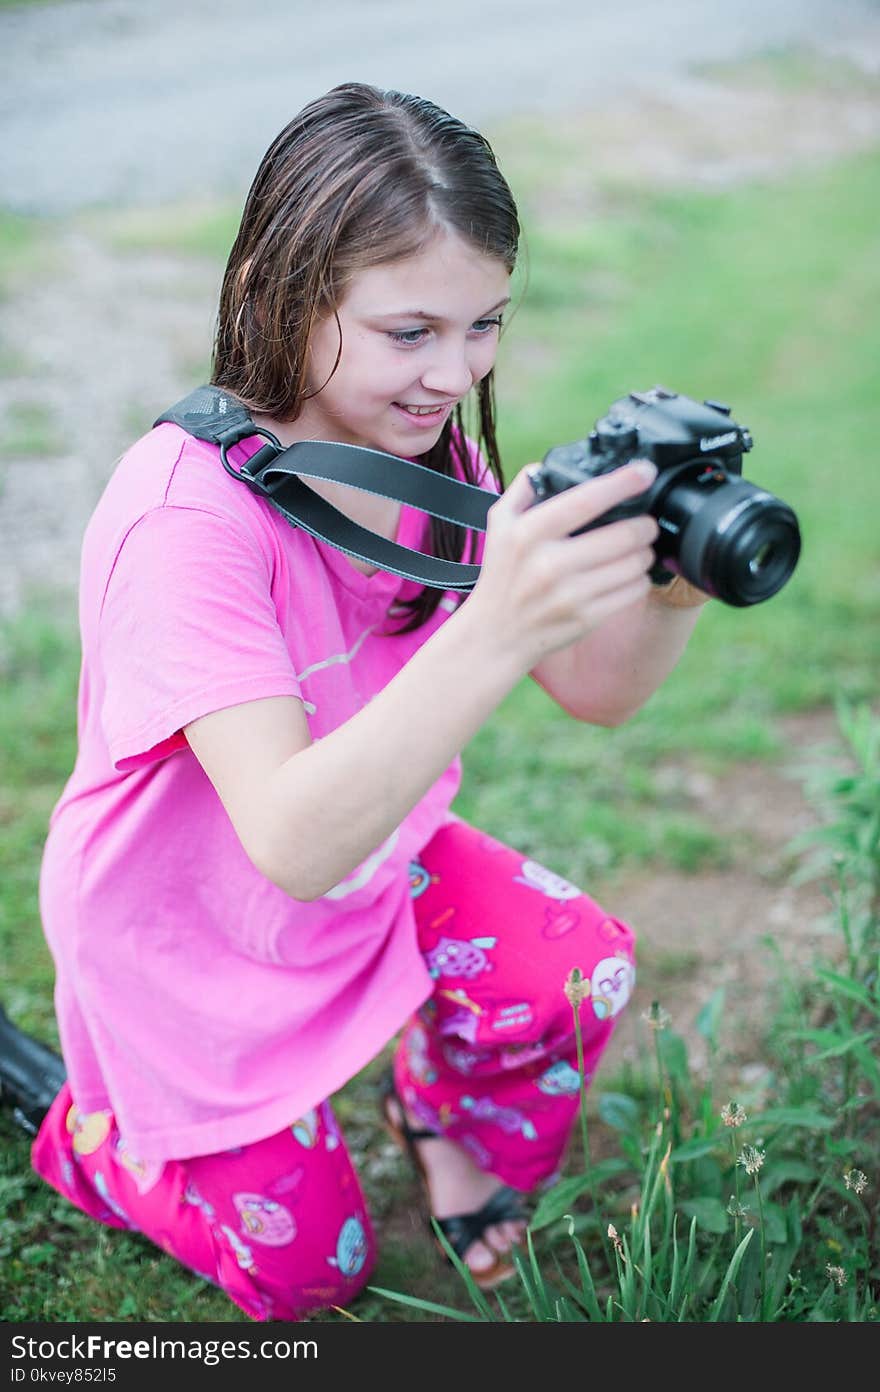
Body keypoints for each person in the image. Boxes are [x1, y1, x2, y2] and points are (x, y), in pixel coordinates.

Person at [9, 82, 709, 1321]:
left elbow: (595, 693)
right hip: (192, 934)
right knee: (312, 1275)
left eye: (484, 323)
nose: (454, 372)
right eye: (410, 332)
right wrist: (495, 622)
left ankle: (436, 1113)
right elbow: (284, 841)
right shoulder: (188, 519)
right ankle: (98, 1137)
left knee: (574, 976)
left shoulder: (419, 445)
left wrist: (667, 586)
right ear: (286, 298)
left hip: (370, 866)